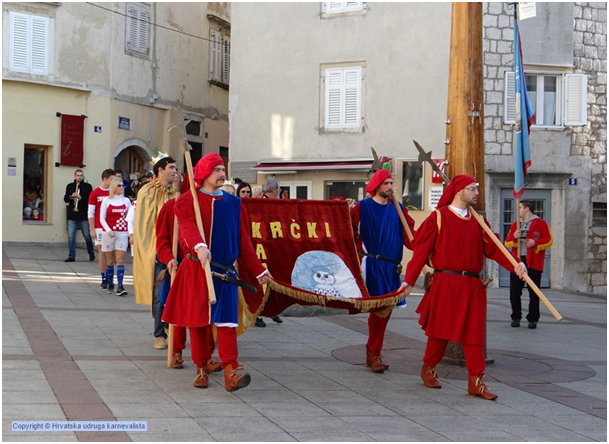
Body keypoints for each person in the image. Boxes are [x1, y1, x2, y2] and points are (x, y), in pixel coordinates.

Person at [403, 175, 527, 401]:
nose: (476, 193)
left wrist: (515, 264)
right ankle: (428, 367)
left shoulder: (479, 221)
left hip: (472, 284)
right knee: (439, 331)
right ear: (459, 191)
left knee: (474, 334)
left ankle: (476, 381)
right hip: (446, 283)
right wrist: (409, 281)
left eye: (477, 189)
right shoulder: (438, 217)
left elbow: (495, 248)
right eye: (472, 189)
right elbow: (420, 252)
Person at [162, 152, 272, 391]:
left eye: (223, 170)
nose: (222, 174)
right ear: (203, 173)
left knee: (227, 323)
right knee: (199, 322)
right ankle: (201, 367)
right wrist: (199, 246)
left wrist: (258, 270)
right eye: (217, 170)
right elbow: (188, 228)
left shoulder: (233, 203)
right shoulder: (186, 201)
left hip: (227, 272)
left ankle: (231, 369)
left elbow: (243, 241)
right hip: (196, 269)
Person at [350, 169, 415, 373]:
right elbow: (348, 233)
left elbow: (412, 238)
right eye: (386, 183)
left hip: (391, 267)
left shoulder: (399, 209)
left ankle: (373, 351)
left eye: (391, 183)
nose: (390, 187)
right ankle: (374, 352)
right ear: (377, 186)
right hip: (372, 264)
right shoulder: (363, 208)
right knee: (380, 311)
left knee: (384, 313)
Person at [156, 196, 222, 373]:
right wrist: (168, 259)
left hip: (201, 264)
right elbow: (161, 240)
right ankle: (176, 350)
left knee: (203, 311)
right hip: (178, 265)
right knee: (179, 312)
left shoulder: (205, 204)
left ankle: (206, 356)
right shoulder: (170, 206)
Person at [132, 157, 178, 350]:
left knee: (178, 295)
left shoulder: (179, 191)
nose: (175, 171)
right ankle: (160, 334)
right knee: (160, 296)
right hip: (159, 250)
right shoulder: (147, 191)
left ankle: (175, 331)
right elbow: (144, 223)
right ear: (160, 170)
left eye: (176, 168)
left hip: (179, 250)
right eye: (171, 168)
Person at [504, 200, 553, 329]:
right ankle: (516, 317)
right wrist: (514, 237)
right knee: (515, 291)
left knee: (534, 292)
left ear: (527, 209)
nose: (518, 210)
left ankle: (533, 319)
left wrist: (535, 243)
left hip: (533, 263)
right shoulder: (516, 224)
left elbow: (549, 239)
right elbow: (507, 241)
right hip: (518, 262)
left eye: (520, 207)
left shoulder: (541, 224)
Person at [255, 177, 284, 327]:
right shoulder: (258, 203)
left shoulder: (276, 203)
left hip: (273, 245)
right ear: (274, 190)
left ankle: (272, 311)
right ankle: (258, 314)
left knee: (274, 280)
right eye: (278, 190)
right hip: (261, 246)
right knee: (261, 282)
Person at [99, 177, 131, 295]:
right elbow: (102, 218)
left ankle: (120, 285)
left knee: (120, 259)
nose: (121, 188)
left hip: (122, 232)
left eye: (122, 185)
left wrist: (129, 232)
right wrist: (108, 230)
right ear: (113, 187)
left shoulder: (126, 201)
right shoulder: (106, 200)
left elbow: (129, 218)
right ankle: (110, 283)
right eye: (119, 186)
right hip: (109, 233)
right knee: (110, 260)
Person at [88, 169, 116, 288]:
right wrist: (92, 229)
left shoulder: (114, 192)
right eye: (111, 179)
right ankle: (104, 277)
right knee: (102, 252)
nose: (113, 182)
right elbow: (91, 212)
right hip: (100, 227)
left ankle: (111, 275)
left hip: (112, 227)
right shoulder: (95, 193)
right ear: (105, 179)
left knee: (113, 253)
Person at [63, 169, 95, 262]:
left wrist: (81, 198)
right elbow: (65, 199)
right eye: (77, 175)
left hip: (83, 215)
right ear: (74, 176)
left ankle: (91, 252)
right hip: (72, 215)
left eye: (81, 175)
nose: (79, 177)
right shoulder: (70, 186)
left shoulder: (88, 187)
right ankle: (71, 256)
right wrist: (71, 196)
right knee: (71, 236)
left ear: (83, 176)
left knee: (87, 235)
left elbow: (90, 200)